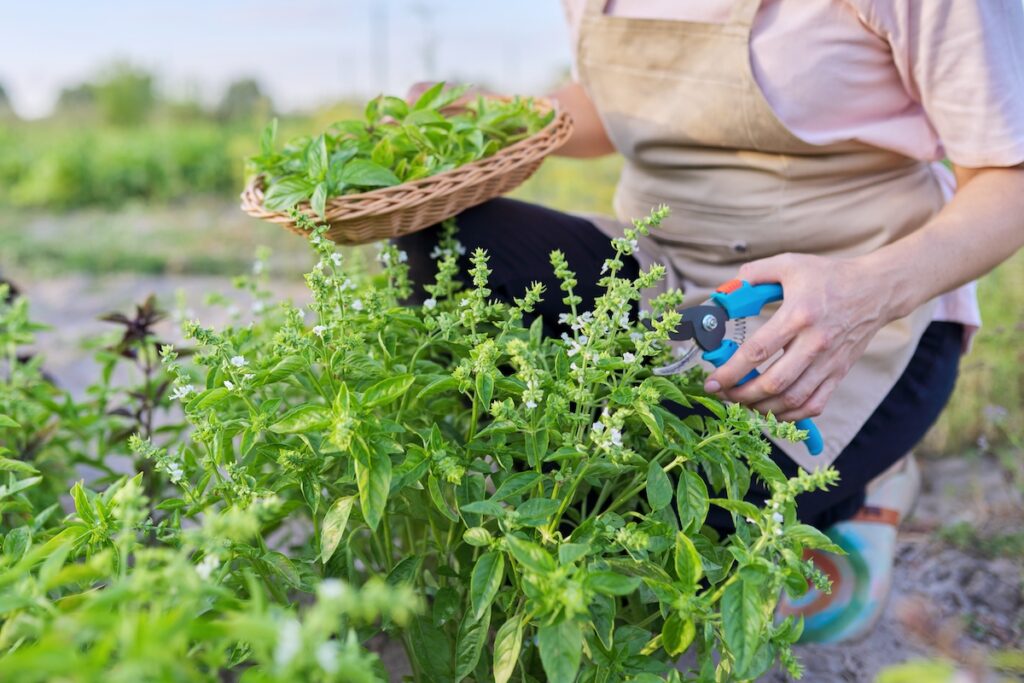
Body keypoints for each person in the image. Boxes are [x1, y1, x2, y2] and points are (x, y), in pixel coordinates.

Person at [397, 0, 1024, 643]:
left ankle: (860, 484)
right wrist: (497, 115)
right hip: (655, 271)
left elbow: (1009, 176)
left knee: (674, 524)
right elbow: (619, 102)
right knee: (445, 245)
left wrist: (865, 295)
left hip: (846, 302)